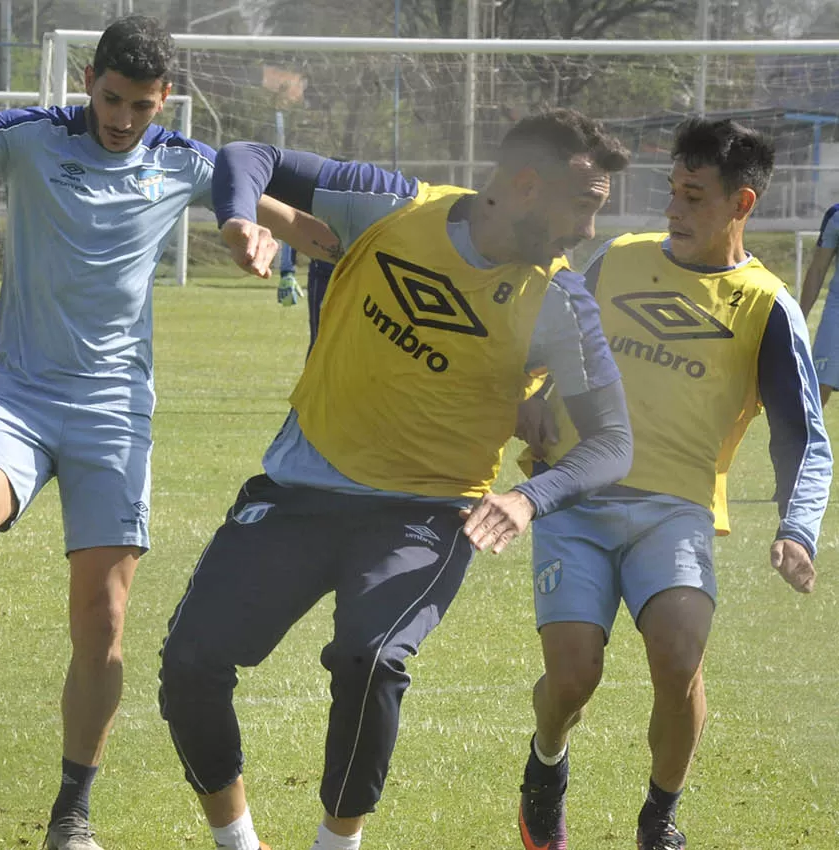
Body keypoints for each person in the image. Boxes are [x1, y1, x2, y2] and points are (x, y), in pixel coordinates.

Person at [0, 15, 317, 850]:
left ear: (164, 101)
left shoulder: (182, 162)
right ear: (87, 80)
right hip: (20, 394)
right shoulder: (33, 140)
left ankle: (71, 811)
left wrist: (282, 236)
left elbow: (289, 218)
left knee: (103, 617)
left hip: (115, 415)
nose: (122, 119)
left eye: (141, 106)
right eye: (112, 98)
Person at [158, 109, 635, 850]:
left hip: (427, 514)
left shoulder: (560, 300)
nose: (589, 227)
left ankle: (336, 842)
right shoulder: (391, 206)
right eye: (585, 205)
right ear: (526, 186)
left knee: (371, 658)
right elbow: (248, 154)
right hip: (298, 490)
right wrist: (234, 223)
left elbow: (612, 441)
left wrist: (525, 497)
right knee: (191, 660)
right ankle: (237, 842)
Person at [513, 118, 830, 850]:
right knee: (570, 680)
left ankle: (659, 817)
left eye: (694, 196)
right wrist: (526, 394)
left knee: (679, 656)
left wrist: (796, 528)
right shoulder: (617, 259)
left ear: (741, 204)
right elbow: (543, 336)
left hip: (675, 513)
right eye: (671, 192)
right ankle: (546, 763)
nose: (673, 210)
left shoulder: (766, 306)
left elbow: (804, 436)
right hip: (575, 496)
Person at [798, 196, 839, 404]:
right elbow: (818, 269)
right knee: (819, 385)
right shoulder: (836, 215)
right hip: (837, 310)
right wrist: (798, 319)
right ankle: (808, 436)